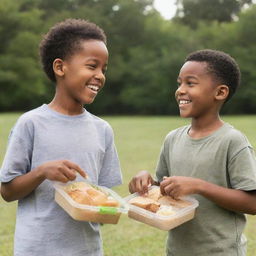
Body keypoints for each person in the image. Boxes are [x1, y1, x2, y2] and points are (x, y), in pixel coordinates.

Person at [0, 18, 122, 256]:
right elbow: (7, 191)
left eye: (103, 69)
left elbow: (108, 202)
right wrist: (41, 172)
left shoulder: (102, 130)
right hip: (36, 249)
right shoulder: (31, 123)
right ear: (60, 67)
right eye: (92, 66)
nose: (99, 75)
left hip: (86, 250)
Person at [129, 49, 256, 256]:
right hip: (177, 250)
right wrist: (145, 182)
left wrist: (200, 186)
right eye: (179, 83)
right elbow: (162, 190)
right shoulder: (172, 139)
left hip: (220, 252)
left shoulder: (232, 141)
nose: (180, 90)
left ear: (220, 92)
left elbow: (252, 203)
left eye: (190, 83)